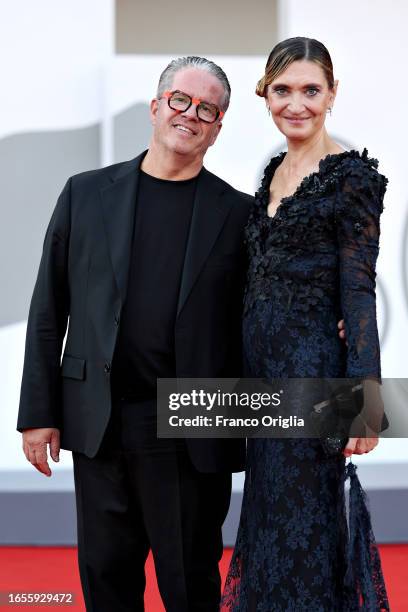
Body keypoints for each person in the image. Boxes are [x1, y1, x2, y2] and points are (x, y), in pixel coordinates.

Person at [17, 56, 252, 612]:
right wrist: (37, 411)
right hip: (99, 421)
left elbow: (262, 318)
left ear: (218, 127)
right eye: (180, 100)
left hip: (191, 425)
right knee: (105, 580)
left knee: (190, 584)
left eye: (207, 109)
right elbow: (49, 308)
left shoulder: (240, 216)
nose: (190, 115)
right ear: (155, 106)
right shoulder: (85, 193)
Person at [222, 37, 390, 611]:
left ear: (332, 94)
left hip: (313, 378)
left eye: (310, 90)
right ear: (266, 94)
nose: (296, 103)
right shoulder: (274, 170)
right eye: (283, 90)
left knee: (305, 526)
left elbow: (358, 286)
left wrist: (363, 398)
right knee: (269, 517)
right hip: (262, 380)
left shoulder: (352, 178)